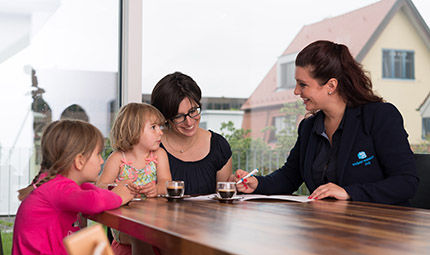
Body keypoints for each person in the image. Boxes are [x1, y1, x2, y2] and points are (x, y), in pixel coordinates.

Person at [235, 40, 418, 206]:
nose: (296, 91)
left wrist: (348, 192)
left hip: (382, 230)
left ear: (331, 86)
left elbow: (406, 182)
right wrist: (257, 183)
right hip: (329, 227)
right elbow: (290, 177)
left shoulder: (380, 116)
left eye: (303, 84)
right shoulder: (308, 127)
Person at [11, 119, 134, 255]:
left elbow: (88, 193)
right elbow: (94, 201)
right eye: (98, 154)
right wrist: (120, 195)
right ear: (79, 161)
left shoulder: (54, 185)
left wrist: (95, 188)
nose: (100, 161)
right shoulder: (58, 188)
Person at [97, 102, 171, 255]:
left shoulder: (160, 155)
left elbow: (167, 182)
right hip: (124, 225)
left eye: (160, 127)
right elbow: (101, 186)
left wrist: (156, 188)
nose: (160, 132)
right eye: (153, 127)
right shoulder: (117, 158)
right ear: (134, 130)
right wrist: (119, 188)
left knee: (172, 242)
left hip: (155, 219)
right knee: (140, 237)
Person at [151, 71, 233, 196]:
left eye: (193, 111)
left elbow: (224, 202)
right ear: (165, 117)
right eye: (179, 116)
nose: (189, 122)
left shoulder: (218, 146)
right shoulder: (150, 146)